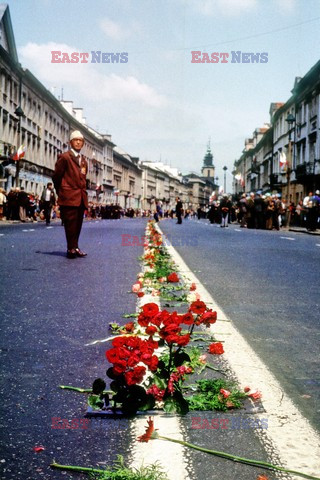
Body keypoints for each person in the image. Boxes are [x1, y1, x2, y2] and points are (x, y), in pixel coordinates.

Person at [52, 130, 88, 259]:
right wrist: (61, 191)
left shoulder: (83, 160)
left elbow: (83, 177)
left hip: (81, 197)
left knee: (78, 224)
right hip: (69, 196)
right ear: (70, 142)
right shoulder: (65, 157)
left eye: (81, 140)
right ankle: (70, 248)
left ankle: (76, 246)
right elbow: (56, 176)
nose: (78, 142)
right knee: (70, 224)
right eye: (75, 140)